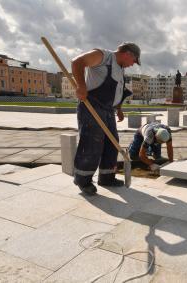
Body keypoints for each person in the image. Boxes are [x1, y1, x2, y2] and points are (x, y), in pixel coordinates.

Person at [71, 42, 139, 195]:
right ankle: (83, 180)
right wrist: (81, 86)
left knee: (112, 143)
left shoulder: (120, 69)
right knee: (92, 143)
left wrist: (119, 109)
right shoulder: (103, 56)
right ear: (128, 53)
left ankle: (107, 177)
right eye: (133, 61)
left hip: (108, 110)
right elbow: (77, 62)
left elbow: (117, 91)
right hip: (92, 106)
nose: (132, 65)